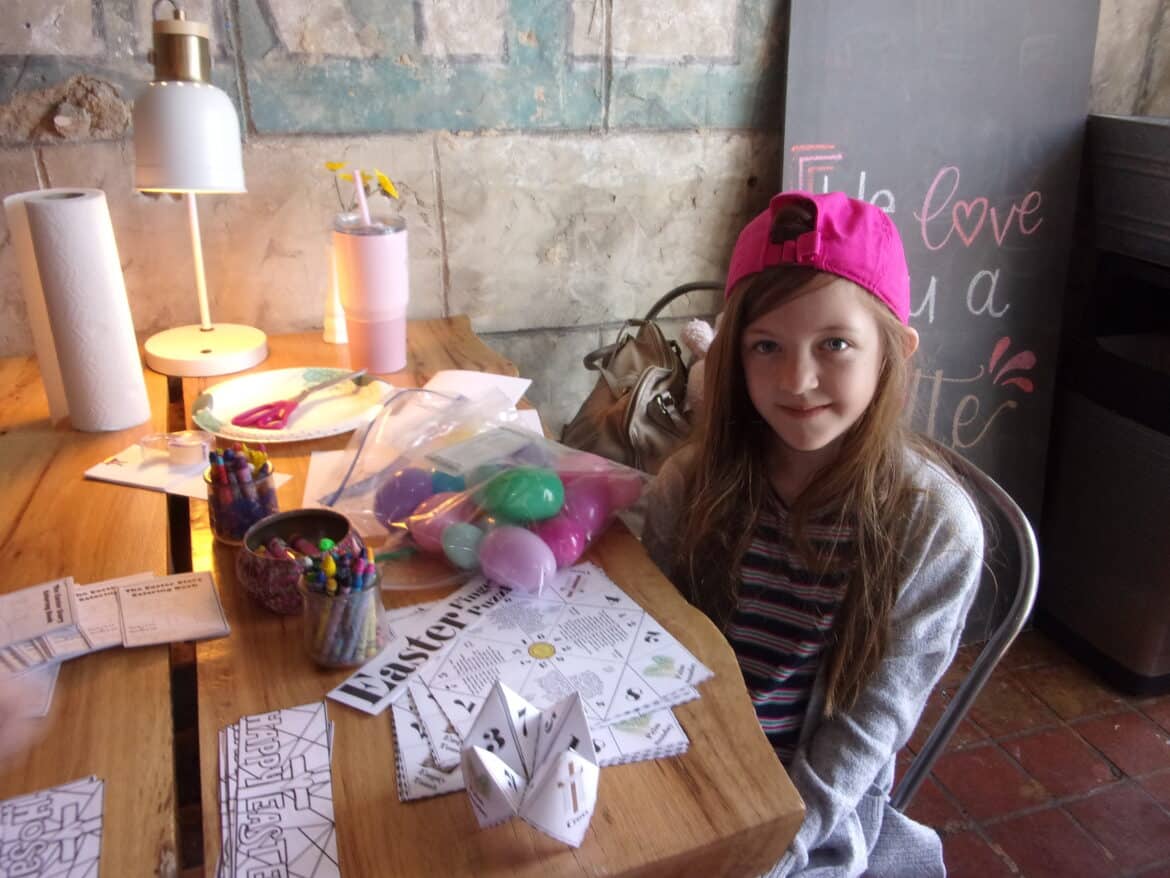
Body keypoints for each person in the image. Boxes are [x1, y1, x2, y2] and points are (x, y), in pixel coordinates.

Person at [643, 191, 984, 877]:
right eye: (766, 346)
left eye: (835, 344)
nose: (797, 381)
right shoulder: (689, 484)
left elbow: (864, 731)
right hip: (674, 768)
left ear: (893, 351)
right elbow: (650, 644)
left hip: (808, 823)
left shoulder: (933, 527)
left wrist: (771, 853)